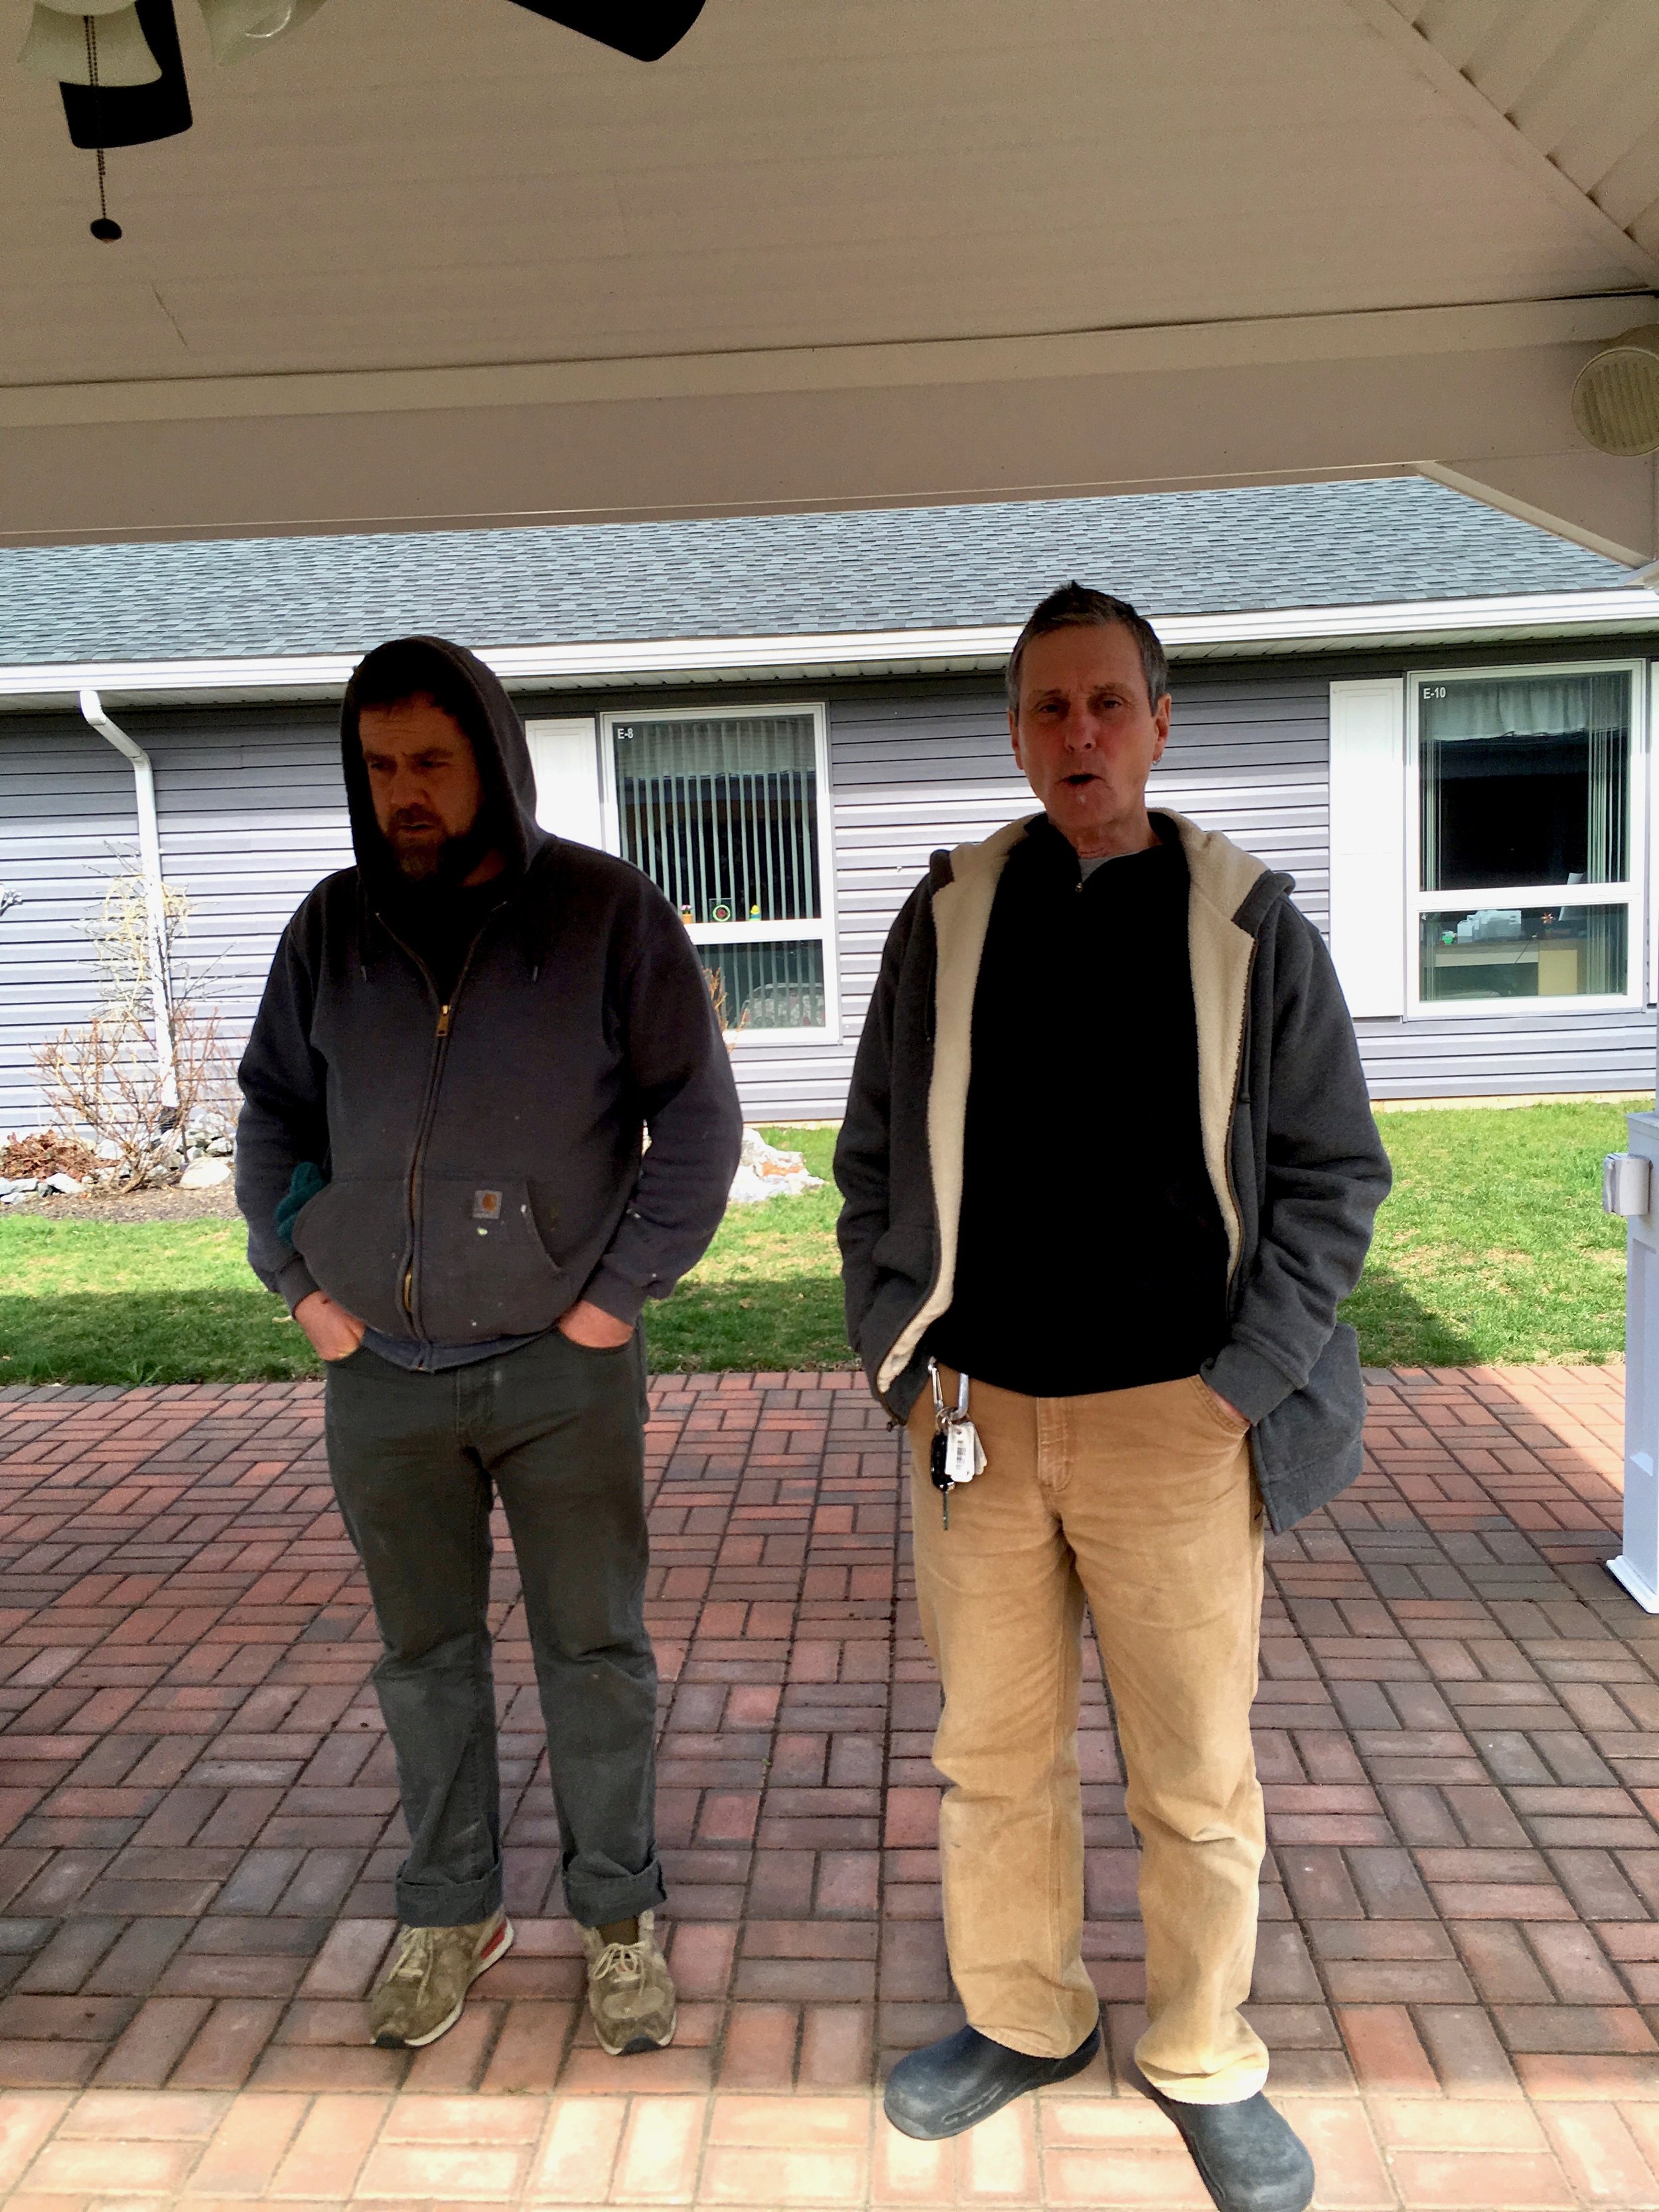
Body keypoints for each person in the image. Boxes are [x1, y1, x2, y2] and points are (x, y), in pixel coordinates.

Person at [835, 585, 1389, 2212]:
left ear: (1157, 722)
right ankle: (1025, 2014)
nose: (1076, 733)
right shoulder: (946, 916)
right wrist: (894, 1352)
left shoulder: (1246, 927)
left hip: (1177, 1422)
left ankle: (1204, 2048)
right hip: (976, 1415)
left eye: (1104, 703)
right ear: (1016, 734)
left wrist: (1239, 1389)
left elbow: (1332, 1176)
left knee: (1194, 1771)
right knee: (990, 1751)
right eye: (1046, 707)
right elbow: (869, 1155)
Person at [236, 636, 742, 2056]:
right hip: (380, 1374)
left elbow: (698, 1122)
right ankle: (452, 1908)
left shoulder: (604, 914)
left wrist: (614, 1297)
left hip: (560, 1369)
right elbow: (273, 1110)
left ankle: (619, 1913)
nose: (403, 792)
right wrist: (301, 1283)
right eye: (379, 765)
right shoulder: (329, 929)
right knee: (424, 1657)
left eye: (432, 763)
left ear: (494, 762)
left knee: (594, 1650)